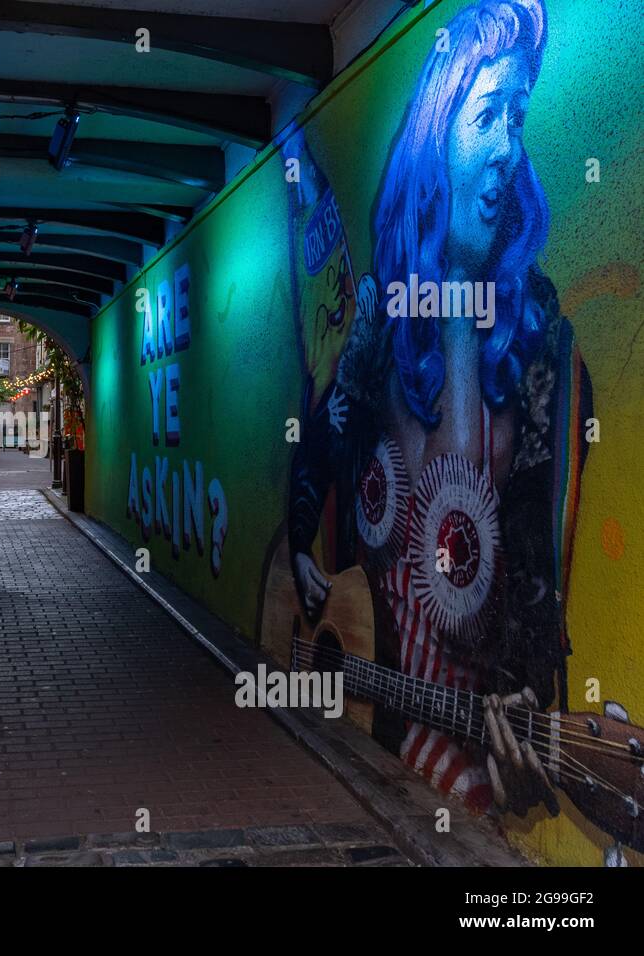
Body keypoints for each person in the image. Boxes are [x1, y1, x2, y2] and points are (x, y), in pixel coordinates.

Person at [287, 0, 591, 817]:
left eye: (517, 118)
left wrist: (529, 697)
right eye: (487, 113)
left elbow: (536, 578)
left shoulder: (540, 354)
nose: (505, 148)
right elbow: (323, 435)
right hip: (372, 699)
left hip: (468, 739)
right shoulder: (385, 328)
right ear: (435, 138)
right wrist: (299, 546)